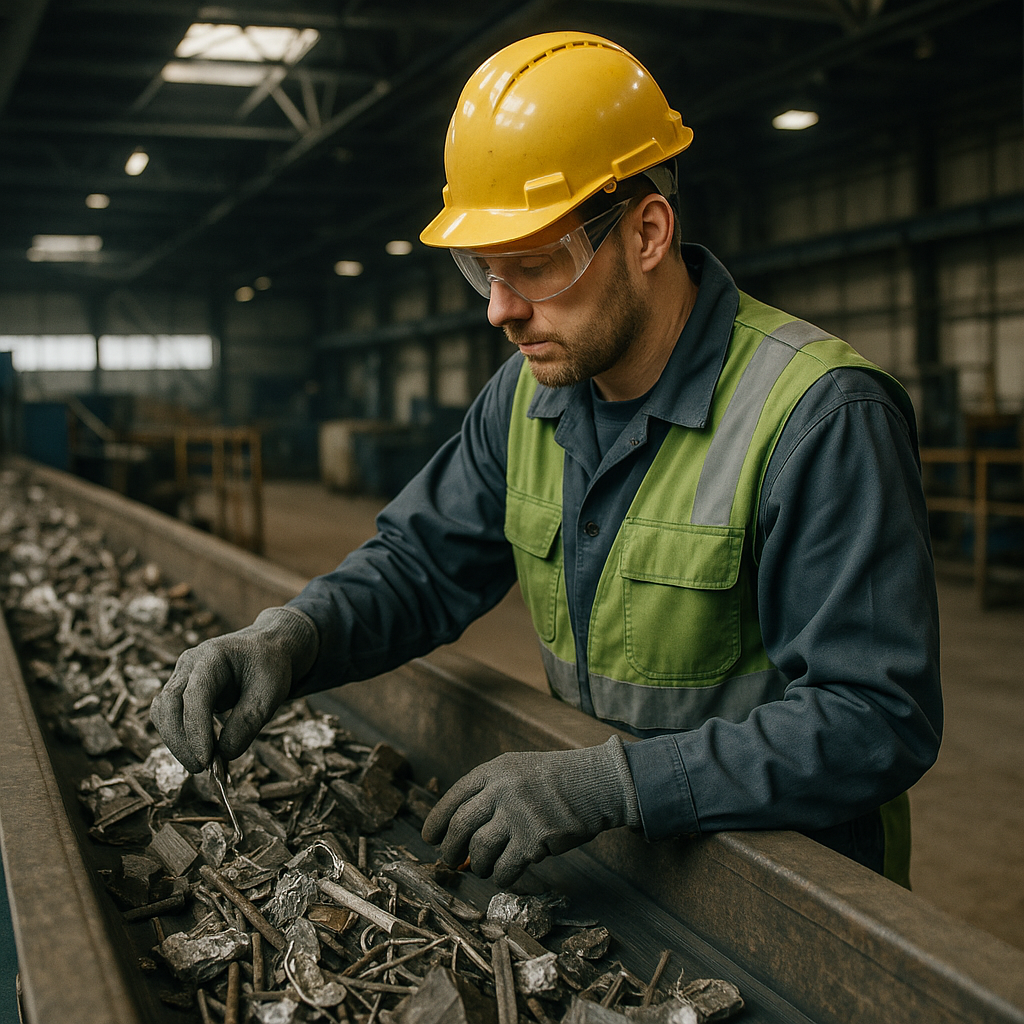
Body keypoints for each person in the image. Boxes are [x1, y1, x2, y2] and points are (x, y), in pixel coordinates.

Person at [151, 31, 941, 891]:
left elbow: (874, 718)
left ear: (647, 232)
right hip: (629, 863)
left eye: (533, 266)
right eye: (483, 271)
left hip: (795, 893)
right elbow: (420, 565)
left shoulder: (818, 416)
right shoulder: (527, 396)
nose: (500, 310)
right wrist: (294, 636)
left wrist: (616, 782)